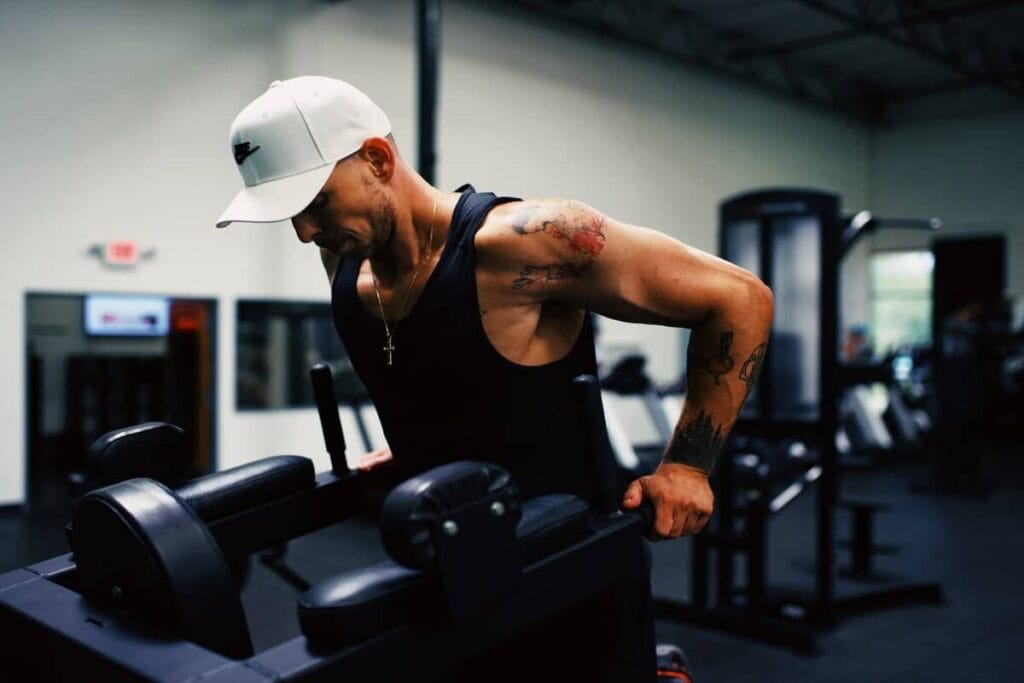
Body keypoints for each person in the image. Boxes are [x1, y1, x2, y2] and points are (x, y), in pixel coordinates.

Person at [216, 76, 773, 682]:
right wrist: (414, 450)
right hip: (443, 564)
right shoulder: (345, 259)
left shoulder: (526, 242)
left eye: (316, 203)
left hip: (569, 569)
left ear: (377, 158)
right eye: (290, 215)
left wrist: (686, 466)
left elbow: (739, 298)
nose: (303, 232)